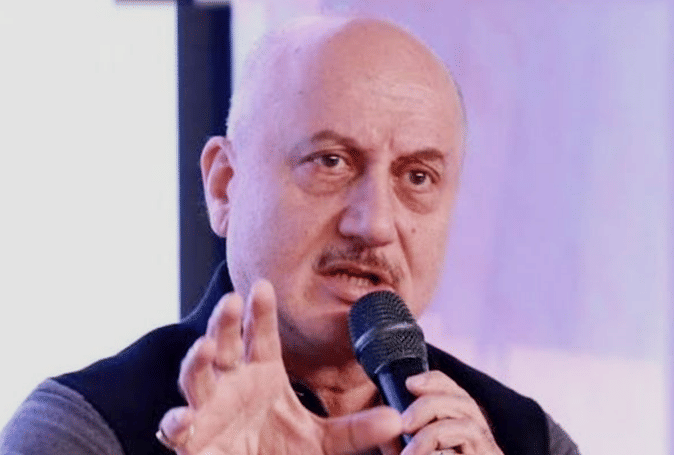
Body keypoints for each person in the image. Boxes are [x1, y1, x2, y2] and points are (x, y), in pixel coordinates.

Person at [0, 16, 579, 455]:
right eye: (331, 162)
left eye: (417, 177)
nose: (374, 224)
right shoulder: (82, 429)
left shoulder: (526, 438)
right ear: (224, 187)